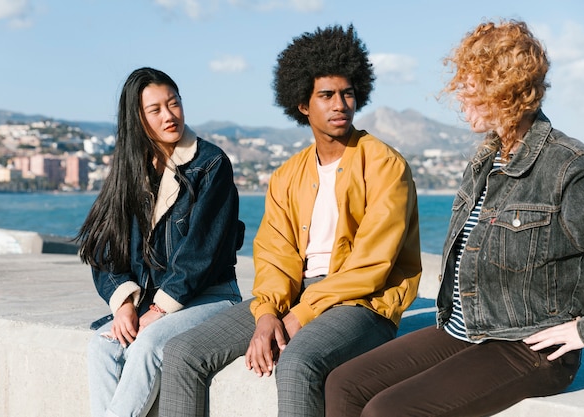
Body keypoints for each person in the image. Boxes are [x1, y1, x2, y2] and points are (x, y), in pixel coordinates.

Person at [324, 19, 584, 417]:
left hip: (529, 346)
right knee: (344, 383)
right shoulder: (486, 161)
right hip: (468, 329)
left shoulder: (568, 167)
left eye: (471, 89)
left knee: (388, 411)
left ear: (505, 90)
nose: (460, 99)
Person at [159, 24, 422, 417]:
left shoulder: (385, 165)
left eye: (347, 94)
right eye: (327, 95)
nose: (340, 105)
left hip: (364, 305)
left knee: (298, 362)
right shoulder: (287, 175)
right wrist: (267, 313)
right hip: (296, 294)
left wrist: (299, 314)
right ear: (303, 104)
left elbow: (371, 266)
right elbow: (275, 255)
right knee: (182, 353)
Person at [77, 67, 244, 417]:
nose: (169, 116)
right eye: (155, 110)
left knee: (148, 345)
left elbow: (200, 254)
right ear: (137, 118)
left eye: (174, 103)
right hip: (152, 303)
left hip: (210, 297)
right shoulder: (129, 168)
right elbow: (106, 247)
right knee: (102, 348)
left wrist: (157, 311)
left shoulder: (210, 164)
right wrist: (123, 301)